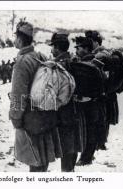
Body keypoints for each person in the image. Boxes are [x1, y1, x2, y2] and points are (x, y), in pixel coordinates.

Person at [9, 21, 62, 172]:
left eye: (15, 37)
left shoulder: (22, 62)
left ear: (20, 39)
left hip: (30, 117)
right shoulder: (41, 56)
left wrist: (15, 117)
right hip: (46, 112)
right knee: (43, 157)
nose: (14, 40)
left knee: (34, 159)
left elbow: (19, 94)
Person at [49, 33, 86, 172]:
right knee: (74, 144)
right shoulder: (75, 61)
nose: (51, 50)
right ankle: (70, 171)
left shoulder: (58, 66)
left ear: (57, 48)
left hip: (64, 112)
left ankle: (67, 175)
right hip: (77, 110)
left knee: (66, 146)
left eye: (52, 47)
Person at [73, 36, 107, 166]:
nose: (77, 50)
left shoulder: (95, 62)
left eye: (79, 48)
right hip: (87, 102)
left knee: (90, 130)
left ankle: (86, 158)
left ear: (87, 49)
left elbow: (100, 84)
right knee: (88, 129)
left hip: (92, 103)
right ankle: (86, 156)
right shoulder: (84, 61)